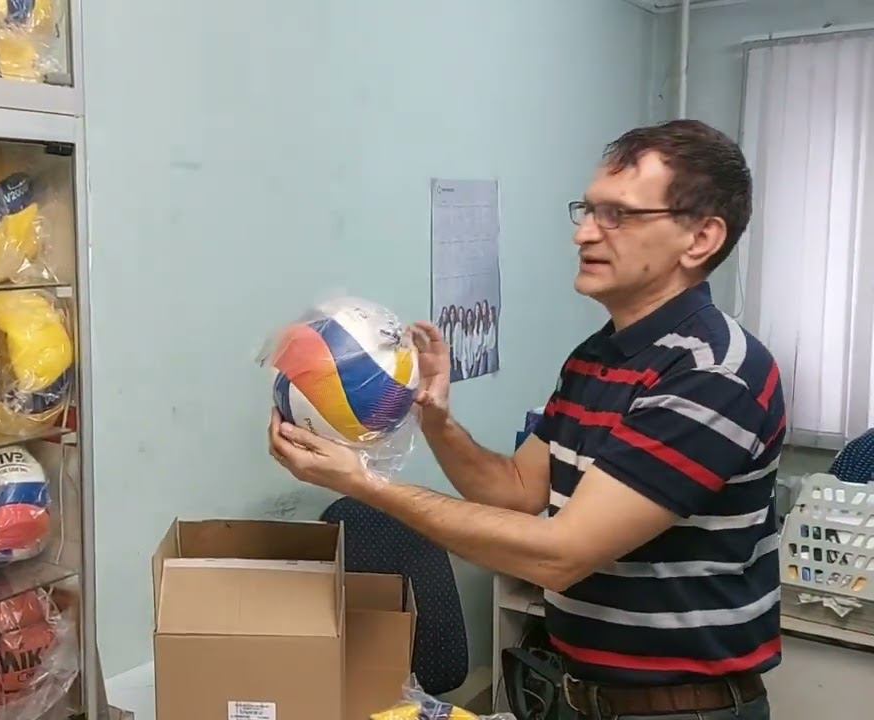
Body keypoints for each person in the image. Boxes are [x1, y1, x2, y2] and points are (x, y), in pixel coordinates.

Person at [269, 120, 783, 720]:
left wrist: (365, 485)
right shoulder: (599, 358)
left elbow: (560, 556)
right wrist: (436, 418)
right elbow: (514, 490)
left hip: (679, 710)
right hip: (577, 695)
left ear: (700, 238)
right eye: (587, 211)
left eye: (617, 215)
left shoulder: (714, 373)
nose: (584, 233)